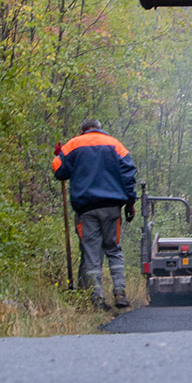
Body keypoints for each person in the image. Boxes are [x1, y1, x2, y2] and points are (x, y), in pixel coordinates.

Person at [52, 119, 137, 310]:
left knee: (91, 254)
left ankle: (96, 299)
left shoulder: (73, 144)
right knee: (114, 250)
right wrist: (130, 203)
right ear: (100, 128)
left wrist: (58, 155)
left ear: (82, 130)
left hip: (86, 209)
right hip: (112, 208)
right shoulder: (116, 145)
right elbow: (129, 175)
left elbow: (59, 170)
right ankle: (119, 292)